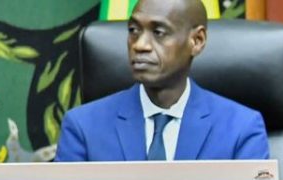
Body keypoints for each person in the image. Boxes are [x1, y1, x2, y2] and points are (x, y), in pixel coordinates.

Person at [54, 0, 269, 162]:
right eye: (133, 31)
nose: (140, 45)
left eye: (158, 32)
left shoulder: (241, 129)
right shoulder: (83, 128)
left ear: (197, 40)